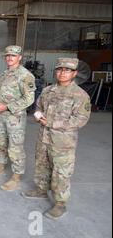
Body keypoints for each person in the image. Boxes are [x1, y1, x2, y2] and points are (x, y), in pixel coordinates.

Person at [22, 58, 91, 219]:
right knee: (41, 164)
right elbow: (38, 106)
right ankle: (41, 190)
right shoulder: (48, 90)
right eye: (59, 70)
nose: (62, 73)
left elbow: (80, 119)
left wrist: (52, 122)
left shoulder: (80, 95)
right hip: (44, 137)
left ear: (74, 73)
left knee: (61, 172)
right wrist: (38, 116)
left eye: (66, 70)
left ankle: (60, 204)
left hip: (63, 142)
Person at [0, 45, 36, 192]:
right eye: (7, 55)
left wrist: (7, 107)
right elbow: (0, 94)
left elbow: (29, 99)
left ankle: (16, 177)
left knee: (15, 148)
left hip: (15, 117)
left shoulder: (25, 75)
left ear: (19, 57)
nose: (9, 58)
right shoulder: (4, 74)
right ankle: (0, 166)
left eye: (13, 56)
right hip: (0, 115)